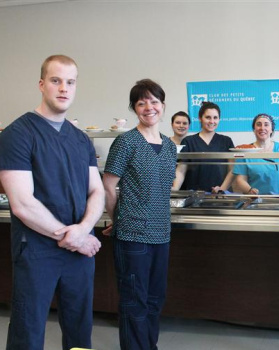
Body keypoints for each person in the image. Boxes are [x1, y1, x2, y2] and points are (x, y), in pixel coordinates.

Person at [0, 55, 104, 350]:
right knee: (28, 327)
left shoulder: (81, 140)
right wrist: (73, 237)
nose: (63, 88)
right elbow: (22, 203)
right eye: (56, 80)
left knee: (80, 327)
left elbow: (96, 191)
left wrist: (83, 230)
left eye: (70, 82)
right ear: (42, 84)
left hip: (79, 248)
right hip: (37, 250)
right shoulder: (18, 134)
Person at [102, 79, 177, 350]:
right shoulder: (126, 142)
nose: (149, 107)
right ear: (134, 108)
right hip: (133, 234)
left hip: (162, 234)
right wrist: (118, 220)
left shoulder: (169, 146)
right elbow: (108, 187)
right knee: (135, 300)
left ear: (163, 105)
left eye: (154, 101)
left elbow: (164, 185)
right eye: (141, 102)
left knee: (156, 299)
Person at [172, 101, 234, 192]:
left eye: (215, 118)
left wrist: (221, 189)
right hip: (194, 196)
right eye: (208, 117)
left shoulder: (226, 141)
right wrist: (174, 189)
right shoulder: (189, 141)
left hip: (220, 196)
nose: (212, 121)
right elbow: (181, 170)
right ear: (200, 118)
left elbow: (232, 170)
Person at [233, 113, 279, 195]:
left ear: (271, 129)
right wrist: (250, 190)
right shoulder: (245, 151)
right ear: (254, 129)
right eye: (259, 124)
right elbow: (240, 179)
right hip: (254, 202)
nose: (262, 128)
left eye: (266, 125)